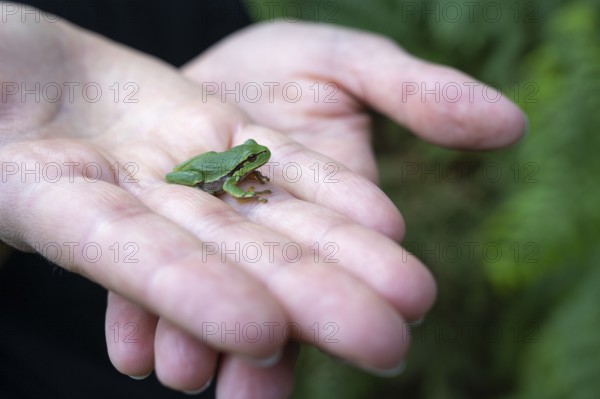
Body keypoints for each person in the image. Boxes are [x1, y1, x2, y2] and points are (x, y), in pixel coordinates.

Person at [0, 1, 526, 398]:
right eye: (253, 161)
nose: (256, 163)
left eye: (253, 160)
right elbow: (230, 184)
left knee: (224, 340)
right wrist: (244, 184)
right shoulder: (233, 171)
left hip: (199, 64)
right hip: (42, 353)